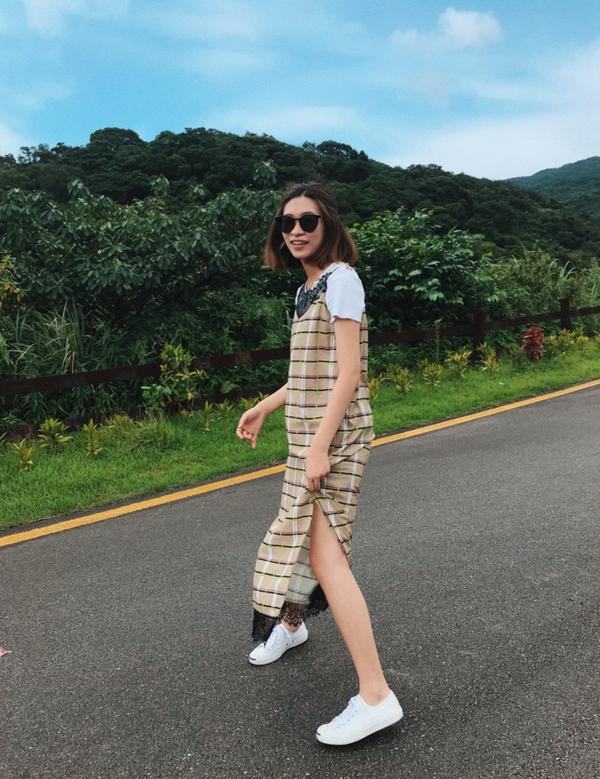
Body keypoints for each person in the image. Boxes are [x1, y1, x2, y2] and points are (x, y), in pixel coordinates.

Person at [235, 182, 403, 746]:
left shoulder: (342, 280)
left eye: (308, 220)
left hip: (335, 440)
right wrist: (266, 406)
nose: (296, 230)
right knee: (297, 538)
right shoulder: (306, 289)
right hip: (308, 437)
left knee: (327, 559)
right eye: (287, 223)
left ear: (328, 224)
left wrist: (320, 446)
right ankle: (292, 625)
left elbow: (349, 372)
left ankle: (376, 696)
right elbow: (310, 372)